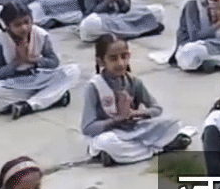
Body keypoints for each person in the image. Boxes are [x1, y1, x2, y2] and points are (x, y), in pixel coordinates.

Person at [81, 35, 194, 166]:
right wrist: (117, 119)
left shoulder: (133, 82)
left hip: (135, 130)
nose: (120, 63)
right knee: (106, 142)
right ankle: (158, 148)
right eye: (113, 58)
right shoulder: (94, 86)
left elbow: (157, 109)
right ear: (100, 61)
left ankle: (121, 155)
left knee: (174, 123)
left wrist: (136, 114)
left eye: (124, 57)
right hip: (111, 133)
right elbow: (87, 128)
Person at [0, 2, 81, 119]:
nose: (24, 28)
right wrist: (17, 62)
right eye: (17, 25)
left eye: (26, 22)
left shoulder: (40, 34)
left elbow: (54, 62)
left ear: (32, 20)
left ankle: (29, 105)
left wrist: (33, 60)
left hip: (38, 78)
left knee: (73, 71)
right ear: (7, 26)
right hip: (13, 84)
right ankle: (50, 97)